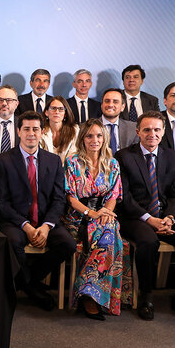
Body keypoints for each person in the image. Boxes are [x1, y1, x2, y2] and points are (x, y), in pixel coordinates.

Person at [116, 111, 175, 321]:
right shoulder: (124, 156)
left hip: (166, 216)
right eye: (147, 130)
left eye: (157, 129)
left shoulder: (173, 157)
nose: (152, 134)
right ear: (138, 131)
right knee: (148, 242)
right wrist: (149, 219)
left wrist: (169, 218)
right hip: (135, 217)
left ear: (163, 131)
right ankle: (146, 296)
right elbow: (125, 197)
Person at [0, 111, 76, 311]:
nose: (31, 133)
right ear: (19, 132)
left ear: (42, 132)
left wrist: (46, 227)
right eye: (27, 129)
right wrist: (27, 227)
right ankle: (32, 288)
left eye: (36, 129)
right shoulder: (2, 161)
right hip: (15, 221)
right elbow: (2, 202)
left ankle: (26, 281)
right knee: (12, 242)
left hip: (46, 220)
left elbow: (58, 199)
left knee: (68, 244)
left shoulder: (54, 161)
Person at [63, 119, 123, 320]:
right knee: (108, 233)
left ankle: (88, 292)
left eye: (98, 135)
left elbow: (114, 195)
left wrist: (105, 212)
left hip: (103, 214)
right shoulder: (72, 162)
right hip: (78, 217)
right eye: (89, 136)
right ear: (83, 139)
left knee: (109, 228)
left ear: (104, 138)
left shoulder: (112, 163)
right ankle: (89, 294)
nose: (94, 140)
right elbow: (70, 197)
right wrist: (91, 214)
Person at [100, 88, 138, 154]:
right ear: (101, 105)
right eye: (107, 101)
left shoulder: (133, 128)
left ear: (122, 107)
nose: (110, 105)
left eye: (115, 102)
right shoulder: (89, 127)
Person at [40, 96, 78, 163]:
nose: (57, 112)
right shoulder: (40, 131)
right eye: (53, 108)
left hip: (68, 171)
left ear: (65, 114)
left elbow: (72, 158)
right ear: (46, 112)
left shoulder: (74, 131)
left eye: (61, 109)